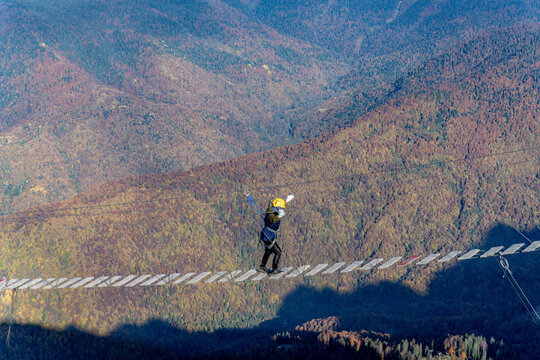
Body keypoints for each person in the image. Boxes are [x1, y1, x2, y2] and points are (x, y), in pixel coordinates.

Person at [259, 197, 287, 274]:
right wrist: (279, 216)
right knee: (278, 252)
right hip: (269, 236)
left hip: (266, 235)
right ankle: (274, 269)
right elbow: (272, 219)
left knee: (268, 251)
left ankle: (262, 266)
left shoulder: (271, 211)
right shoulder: (271, 214)